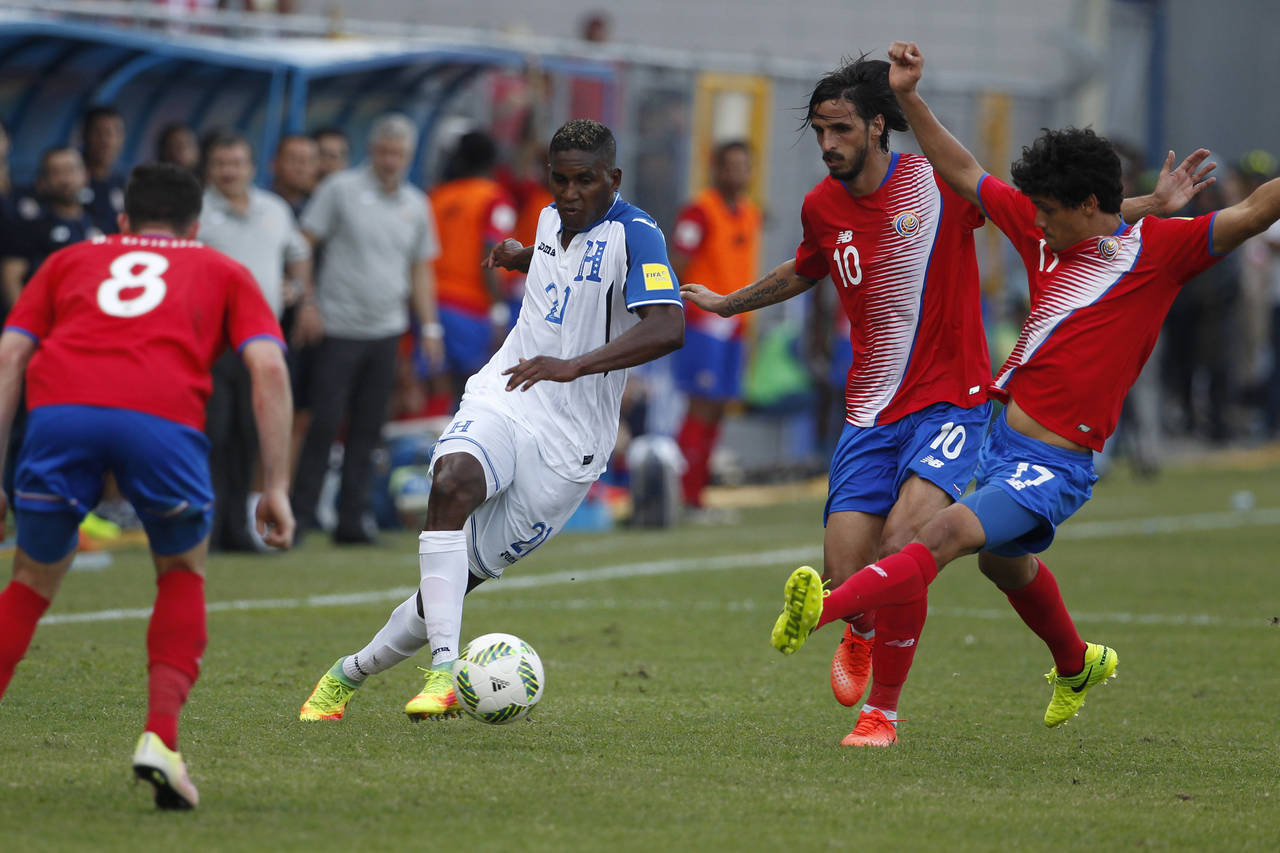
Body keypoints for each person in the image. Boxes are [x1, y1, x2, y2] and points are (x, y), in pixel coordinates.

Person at [688, 55, 1211, 747]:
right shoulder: (822, 205)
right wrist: (731, 301)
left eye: (839, 128)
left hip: (954, 403)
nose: (827, 144)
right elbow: (806, 266)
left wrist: (1146, 208)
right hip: (870, 410)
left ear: (878, 127)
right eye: (818, 130)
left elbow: (1053, 217)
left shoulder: (936, 186)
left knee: (910, 538)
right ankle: (863, 624)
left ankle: (883, 713)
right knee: (852, 564)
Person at [298, 119, 684, 722]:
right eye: (560, 180)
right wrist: (522, 256)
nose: (571, 193)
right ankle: (446, 672)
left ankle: (349, 672)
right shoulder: (551, 217)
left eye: (586, 181)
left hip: (569, 447)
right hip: (508, 392)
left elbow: (668, 326)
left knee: (449, 587)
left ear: (614, 178)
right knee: (451, 480)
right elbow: (561, 258)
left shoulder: (638, 235)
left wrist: (573, 366)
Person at [0, 163, 295, 809]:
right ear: (195, 226)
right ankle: (159, 739)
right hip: (161, 419)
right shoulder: (221, 268)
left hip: (62, 413)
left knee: (30, 579)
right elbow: (267, 364)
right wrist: (274, 485)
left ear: (124, 219)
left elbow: (11, 354)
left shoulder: (70, 258)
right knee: (181, 569)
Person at [292, 114, 442, 544]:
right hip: (338, 326)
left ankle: (352, 520)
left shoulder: (416, 204)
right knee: (324, 424)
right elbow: (304, 242)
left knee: (369, 429)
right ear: (372, 151)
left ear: (409, 156)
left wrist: (430, 328)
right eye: (385, 151)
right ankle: (301, 516)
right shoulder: (340, 190)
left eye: (399, 153)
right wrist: (307, 300)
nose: (392, 160)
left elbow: (420, 269)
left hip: (386, 329)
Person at [198, 132, 317, 551]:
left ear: (251, 167)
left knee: (251, 436)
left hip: (262, 339)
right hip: (211, 341)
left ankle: (239, 529)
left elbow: (299, 252)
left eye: (236, 162)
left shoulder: (274, 208)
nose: (229, 170)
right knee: (214, 433)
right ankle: (208, 530)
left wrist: (299, 293)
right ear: (209, 169)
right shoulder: (197, 212)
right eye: (221, 163)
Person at [670, 140, 761, 513]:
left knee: (719, 407)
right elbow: (678, 259)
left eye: (744, 165)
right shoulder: (699, 211)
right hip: (704, 323)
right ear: (716, 169)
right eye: (730, 165)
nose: (737, 173)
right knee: (700, 406)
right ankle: (683, 493)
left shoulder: (750, 212)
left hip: (735, 325)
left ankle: (698, 493)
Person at [427, 130, 518, 404]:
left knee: (434, 391)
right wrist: (498, 311)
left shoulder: (437, 196)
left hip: (431, 305)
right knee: (472, 392)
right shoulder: (495, 198)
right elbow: (491, 253)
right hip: (470, 308)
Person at [1, 147, 104, 309]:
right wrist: (26, 325)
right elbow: (10, 277)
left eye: (71, 170)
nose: (65, 179)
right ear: (42, 182)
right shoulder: (28, 226)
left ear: (86, 175)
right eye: (56, 172)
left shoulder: (100, 220)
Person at [80, 105, 127, 235]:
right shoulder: (70, 184)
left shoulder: (124, 184)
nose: (107, 141)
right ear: (84, 136)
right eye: (99, 133)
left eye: (115, 133)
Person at [270, 133, 320, 218]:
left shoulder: (322, 206)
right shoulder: (258, 202)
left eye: (309, 161)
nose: (301, 168)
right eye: (293, 160)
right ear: (275, 164)